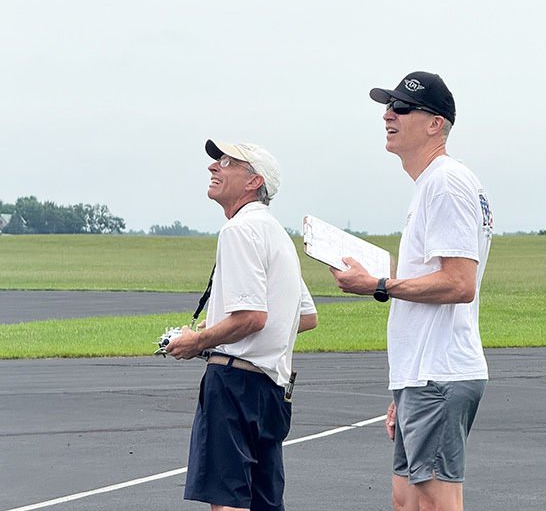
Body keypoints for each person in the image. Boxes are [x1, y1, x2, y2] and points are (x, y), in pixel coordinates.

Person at [330, 71, 493, 511]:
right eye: (388, 106)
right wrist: (402, 389)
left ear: (435, 123)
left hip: (439, 372)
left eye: (401, 107)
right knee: (406, 498)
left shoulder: (445, 181)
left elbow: (460, 284)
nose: (388, 114)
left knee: (434, 501)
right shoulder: (431, 184)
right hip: (421, 374)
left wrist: (378, 284)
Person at [167, 139, 317, 511]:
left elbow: (251, 317)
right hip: (272, 389)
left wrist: (199, 340)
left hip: (235, 385)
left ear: (254, 182)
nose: (213, 167)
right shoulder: (277, 235)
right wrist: (225, 325)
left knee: (228, 501)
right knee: (265, 502)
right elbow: (306, 316)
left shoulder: (237, 231)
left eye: (227, 162)